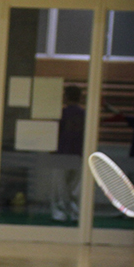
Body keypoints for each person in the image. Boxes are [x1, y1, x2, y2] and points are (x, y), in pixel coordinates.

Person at [51, 84, 85, 222]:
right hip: (78, 154)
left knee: (60, 188)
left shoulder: (61, 114)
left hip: (62, 153)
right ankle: (75, 213)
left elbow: (55, 133)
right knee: (74, 188)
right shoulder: (85, 114)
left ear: (65, 97)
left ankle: (60, 213)